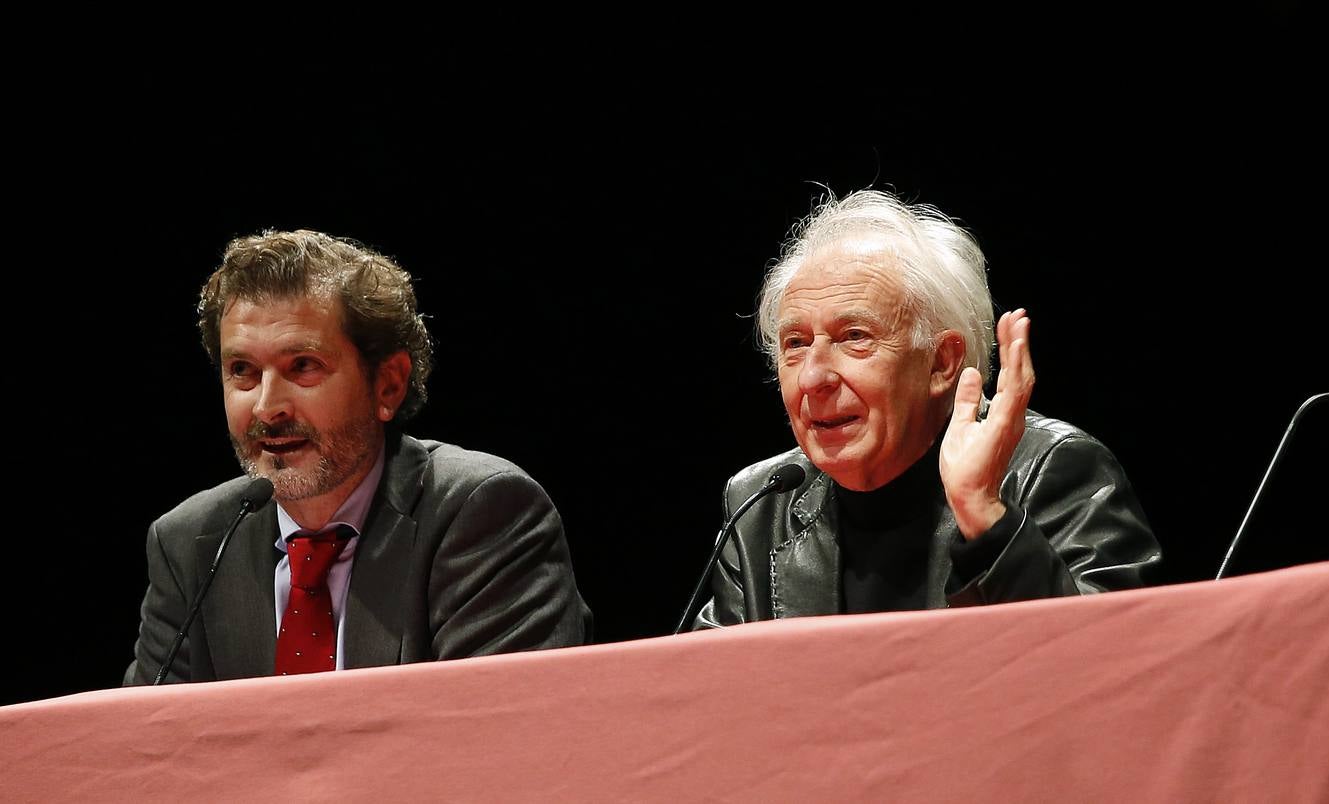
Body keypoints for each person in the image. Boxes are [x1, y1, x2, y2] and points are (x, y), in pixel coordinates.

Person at [125, 229, 590, 684]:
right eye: (242, 371)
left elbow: (496, 736)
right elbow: (144, 749)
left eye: (303, 366)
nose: (267, 406)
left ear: (388, 384)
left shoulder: (481, 515)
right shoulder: (190, 543)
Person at [695, 191, 1159, 626]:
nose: (813, 377)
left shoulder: (1052, 472)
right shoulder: (762, 507)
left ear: (941, 363)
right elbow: (709, 692)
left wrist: (984, 515)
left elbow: (1109, 673)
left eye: (854, 337)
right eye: (795, 344)